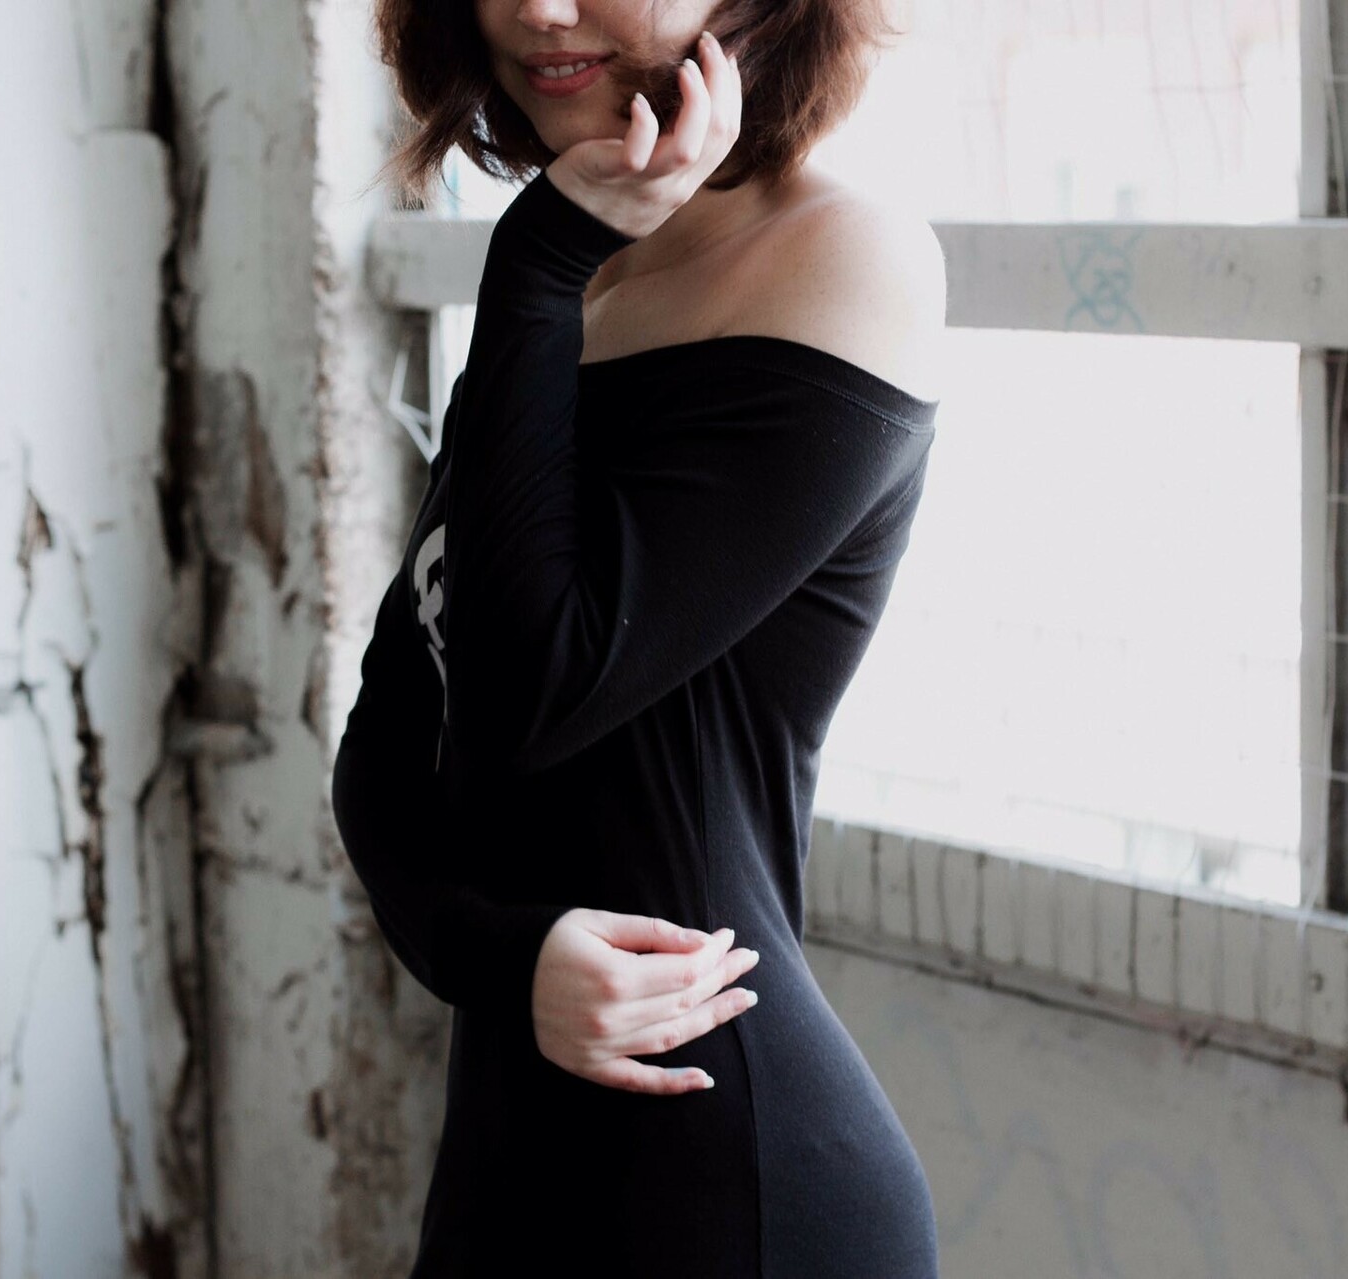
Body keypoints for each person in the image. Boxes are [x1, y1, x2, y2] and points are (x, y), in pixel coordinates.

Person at [332, 0, 947, 1273]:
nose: (537, 7)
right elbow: (389, 756)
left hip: (728, 1179)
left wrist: (535, 264)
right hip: (514, 1150)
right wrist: (504, 958)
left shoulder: (841, 256)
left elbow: (530, 692)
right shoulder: (588, 275)